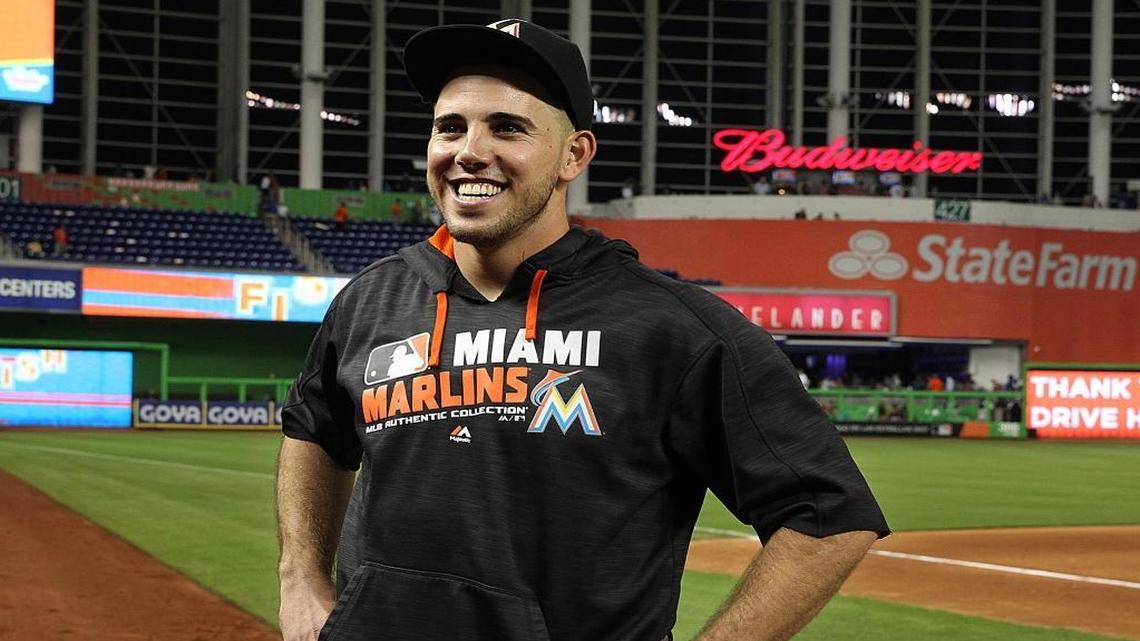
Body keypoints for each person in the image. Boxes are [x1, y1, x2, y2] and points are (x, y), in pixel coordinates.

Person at [276, 18, 888, 641]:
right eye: (450, 127)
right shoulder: (371, 299)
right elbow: (314, 430)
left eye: (507, 128)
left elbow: (828, 513)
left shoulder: (674, 328)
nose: (468, 151)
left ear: (574, 155)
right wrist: (301, 579)